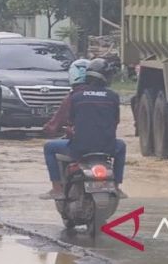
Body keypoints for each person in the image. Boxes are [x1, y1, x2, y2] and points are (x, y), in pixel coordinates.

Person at [40, 58, 128, 200]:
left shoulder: (76, 97)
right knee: (122, 146)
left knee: (49, 147)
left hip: (80, 148)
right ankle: (117, 187)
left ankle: (56, 189)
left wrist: (54, 129)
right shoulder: (113, 97)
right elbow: (115, 121)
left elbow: (68, 120)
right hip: (108, 147)